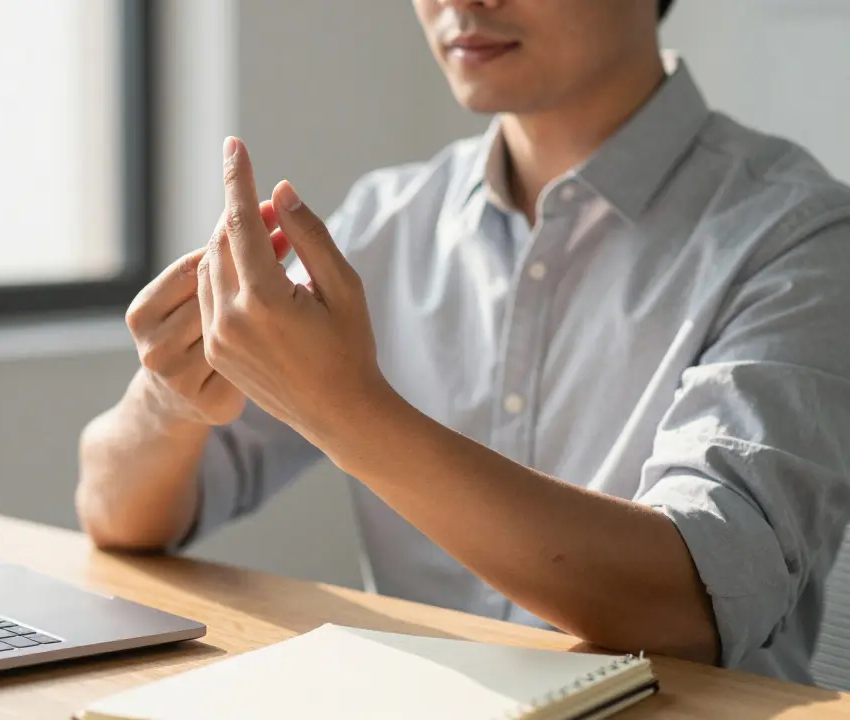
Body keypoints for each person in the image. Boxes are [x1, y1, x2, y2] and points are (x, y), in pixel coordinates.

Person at [76, 0, 850, 683]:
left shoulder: (800, 237)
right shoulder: (389, 222)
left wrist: (348, 411)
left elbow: (687, 606)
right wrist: (169, 392)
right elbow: (113, 512)